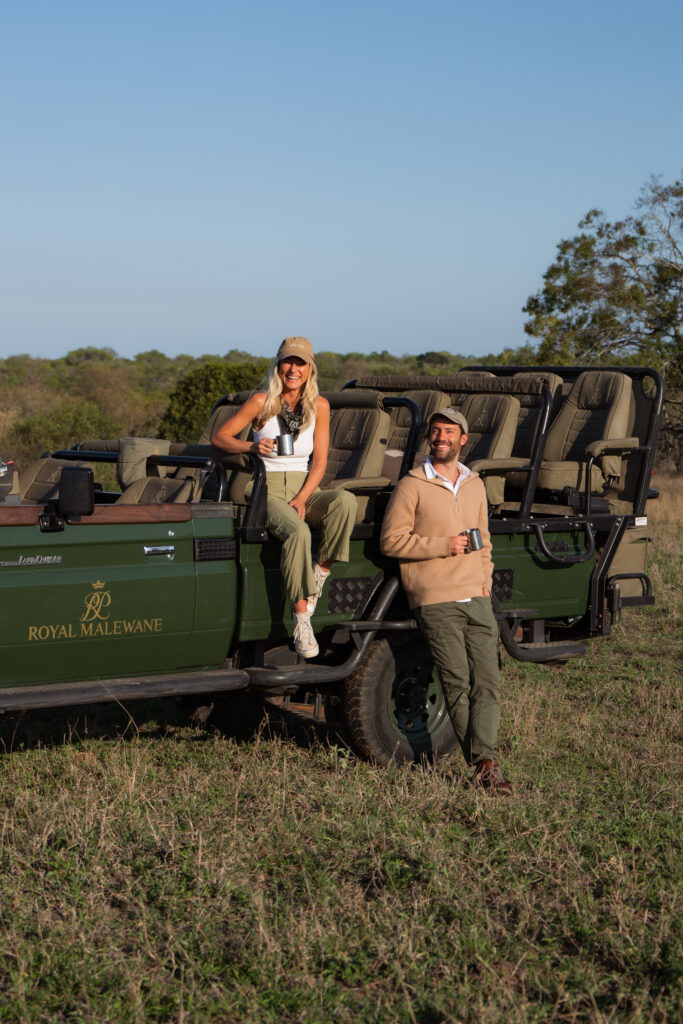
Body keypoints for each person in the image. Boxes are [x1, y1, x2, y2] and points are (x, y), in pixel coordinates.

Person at [379, 407, 512, 795]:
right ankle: (484, 764)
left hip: (477, 597)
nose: (441, 437)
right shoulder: (412, 485)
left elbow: (484, 539)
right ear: (429, 438)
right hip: (436, 598)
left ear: (462, 439)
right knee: (457, 682)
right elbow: (391, 541)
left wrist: (485, 579)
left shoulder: (475, 484)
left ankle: (484, 759)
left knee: (488, 683)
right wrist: (444, 546)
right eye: (436, 431)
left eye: (449, 432)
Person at [212, 336, 357, 659]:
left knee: (345, 502)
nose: (294, 369)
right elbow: (220, 437)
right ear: (278, 366)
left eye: (300, 363)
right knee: (298, 532)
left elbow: (319, 462)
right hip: (266, 486)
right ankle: (302, 617)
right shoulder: (261, 401)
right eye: (288, 362)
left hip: (304, 485)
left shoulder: (319, 406)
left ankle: (319, 574)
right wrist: (251, 446)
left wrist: (305, 497)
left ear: (310, 369)